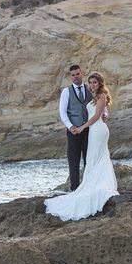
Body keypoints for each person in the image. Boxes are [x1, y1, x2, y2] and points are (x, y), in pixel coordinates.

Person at [45, 72, 119, 221]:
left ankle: (100, 186)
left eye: (95, 82)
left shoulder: (102, 95)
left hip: (98, 131)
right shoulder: (94, 96)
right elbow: (102, 111)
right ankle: (92, 185)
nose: (92, 85)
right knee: (93, 158)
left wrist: (82, 127)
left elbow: (97, 116)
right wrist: (105, 114)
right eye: (90, 82)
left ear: (100, 83)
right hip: (94, 131)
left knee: (98, 157)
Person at [58, 64, 91, 191]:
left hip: (89, 130)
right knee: (74, 161)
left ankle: (88, 187)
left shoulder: (90, 89)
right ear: (70, 77)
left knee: (89, 160)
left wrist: (105, 115)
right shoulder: (66, 92)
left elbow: (100, 106)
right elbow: (63, 112)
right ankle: (75, 189)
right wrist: (71, 126)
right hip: (74, 131)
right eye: (73, 75)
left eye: (77, 74)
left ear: (81, 73)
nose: (76, 76)